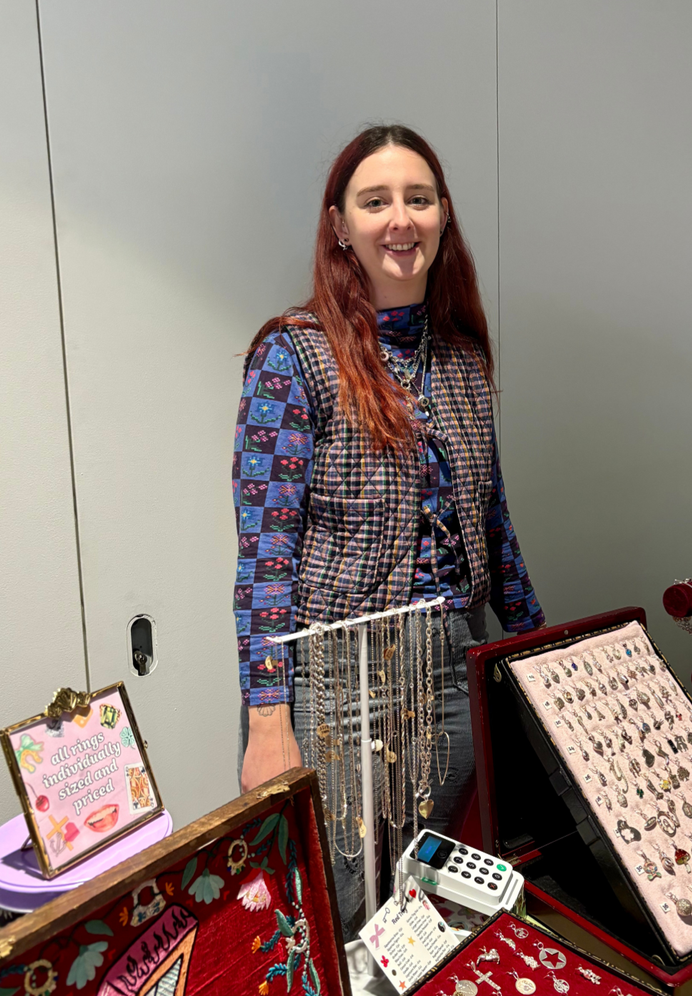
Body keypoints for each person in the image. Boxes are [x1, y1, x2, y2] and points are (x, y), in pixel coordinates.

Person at [232, 124, 544, 927]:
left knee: (418, 907)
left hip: (453, 663)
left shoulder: (463, 356)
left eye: (418, 198)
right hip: (340, 681)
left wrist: (539, 653)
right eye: (376, 202)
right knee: (339, 914)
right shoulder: (294, 356)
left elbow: (494, 524)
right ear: (342, 225)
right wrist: (268, 721)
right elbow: (266, 552)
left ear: (443, 215)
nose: (399, 220)